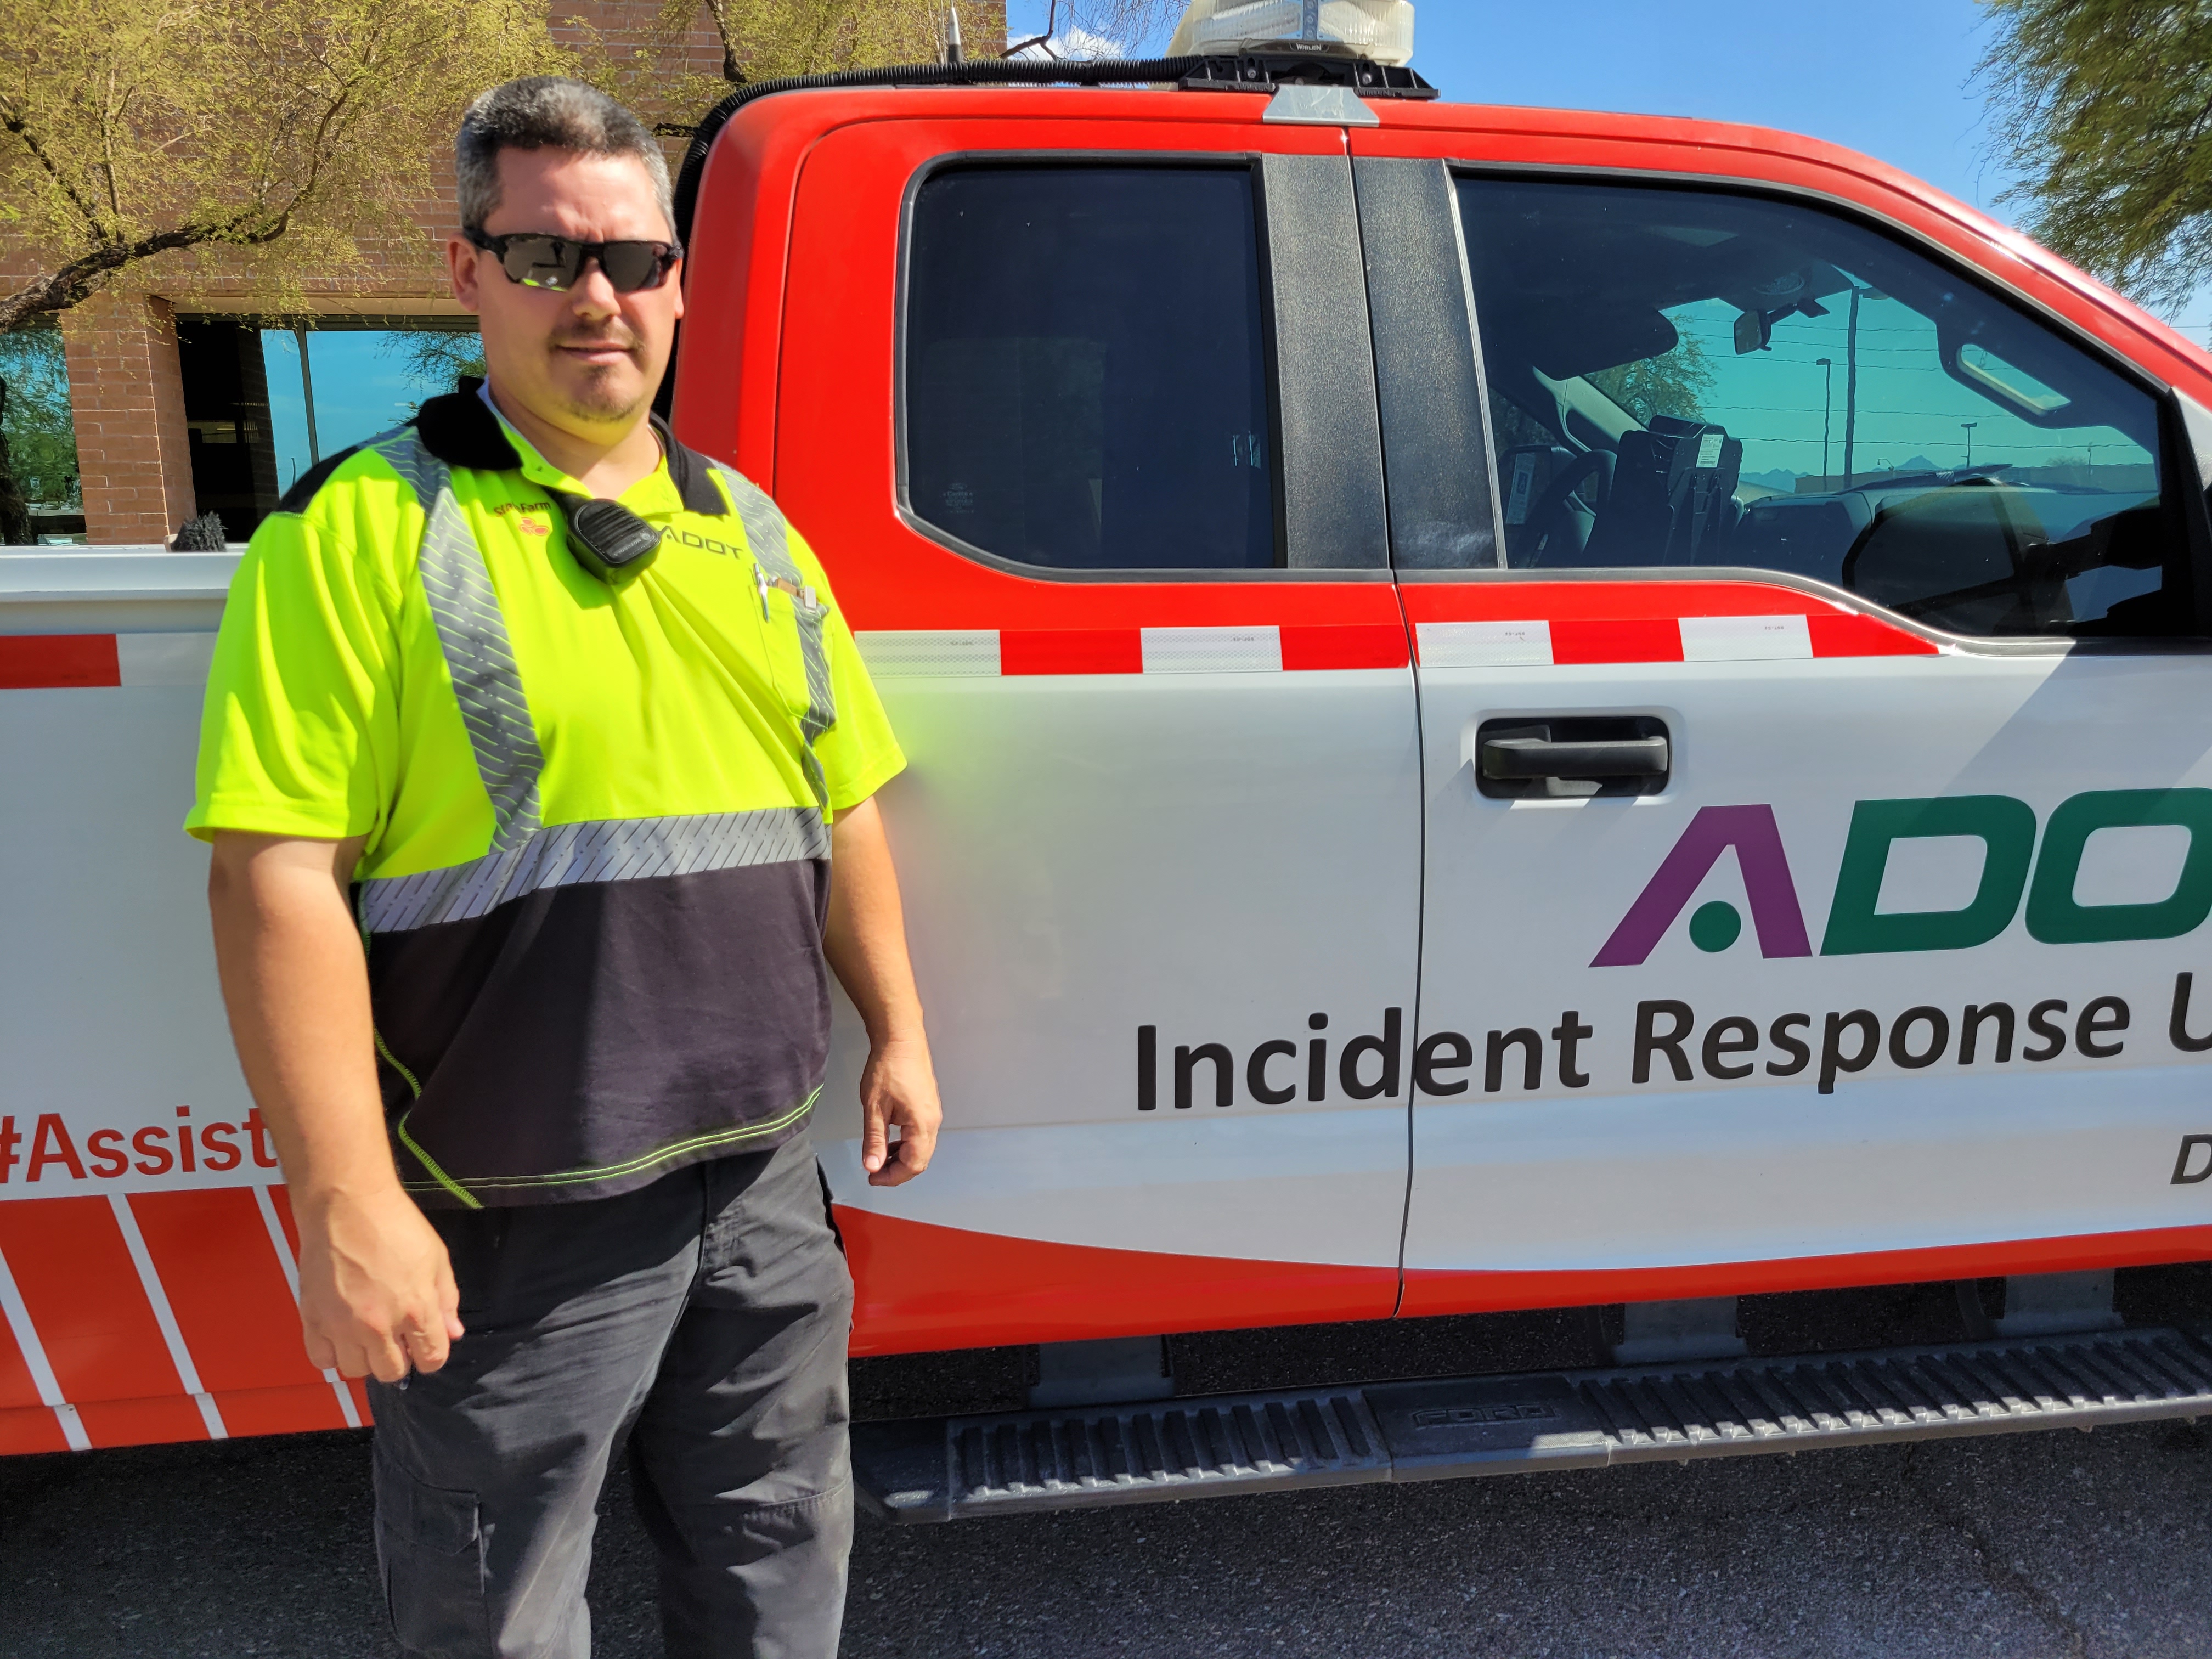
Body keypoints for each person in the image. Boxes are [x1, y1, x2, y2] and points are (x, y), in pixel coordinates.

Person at [191, 76, 940, 1658]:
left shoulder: (748, 528)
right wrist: (349, 1202)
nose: (598, 296)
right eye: (545, 257)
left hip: (756, 1179)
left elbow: (847, 802)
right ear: (467, 274)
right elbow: (273, 876)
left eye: (634, 259)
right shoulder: (356, 536)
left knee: (776, 1559)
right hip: (513, 1212)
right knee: (502, 1609)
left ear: (680, 280)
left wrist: (902, 1031)